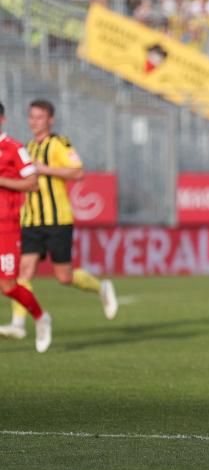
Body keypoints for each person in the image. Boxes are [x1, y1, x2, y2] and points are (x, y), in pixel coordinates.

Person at [0, 99, 116, 342]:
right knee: (24, 271)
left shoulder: (58, 144)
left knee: (64, 276)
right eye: (31, 117)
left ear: (50, 120)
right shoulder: (27, 147)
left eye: (39, 117)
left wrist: (45, 169)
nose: (34, 122)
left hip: (57, 219)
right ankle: (19, 323)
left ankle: (100, 287)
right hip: (30, 219)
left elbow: (78, 171)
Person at [0, 103, 52, 352]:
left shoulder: (14, 149)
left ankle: (41, 317)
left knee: (8, 286)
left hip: (6, 226)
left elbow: (33, 183)